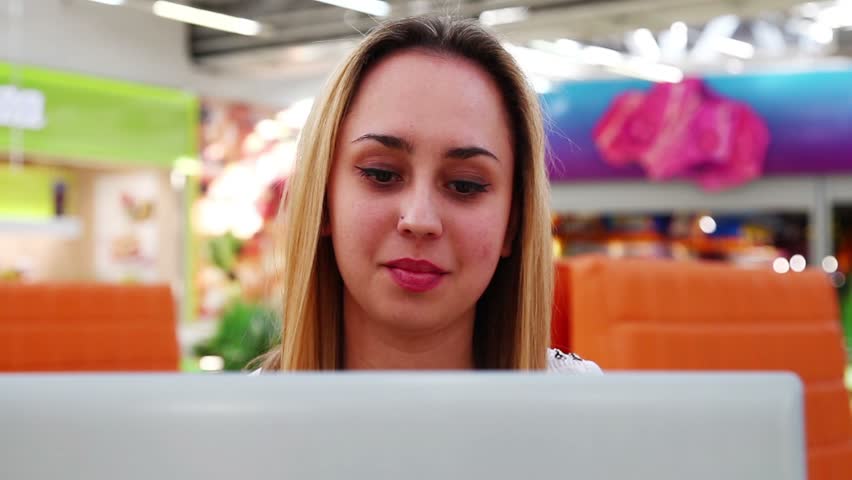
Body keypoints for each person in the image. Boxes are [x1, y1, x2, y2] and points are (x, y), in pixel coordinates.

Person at [254, 15, 600, 374]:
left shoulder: (588, 411)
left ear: (513, 222)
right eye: (381, 174)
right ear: (323, 201)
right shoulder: (237, 423)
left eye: (465, 185)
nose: (419, 219)